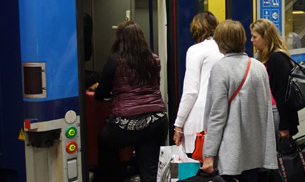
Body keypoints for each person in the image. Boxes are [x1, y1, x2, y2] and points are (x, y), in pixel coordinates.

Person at [201, 20, 277, 181]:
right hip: (254, 150)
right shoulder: (258, 67)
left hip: (231, 151)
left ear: (221, 42)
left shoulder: (221, 68)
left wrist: (209, 153)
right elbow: (265, 110)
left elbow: (217, 115)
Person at [94, 21, 168, 182]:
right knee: (150, 171)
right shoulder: (154, 59)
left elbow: (101, 93)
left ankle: (112, 176)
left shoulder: (115, 60)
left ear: (120, 40)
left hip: (126, 124)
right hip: (156, 120)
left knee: (104, 139)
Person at [173, 12, 223, 155]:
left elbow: (191, 91)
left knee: (197, 165)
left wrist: (178, 124)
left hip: (199, 117)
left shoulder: (195, 50)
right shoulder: (224, 48)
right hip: (221, 114)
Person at [250, 19, 299, 139]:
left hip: (277, 115)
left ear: (266, 38)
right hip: (269, 113)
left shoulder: (278, 59)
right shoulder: (265, 57)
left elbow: (282, 94)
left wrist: (284, 126)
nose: (251, 40)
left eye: (254, 37)